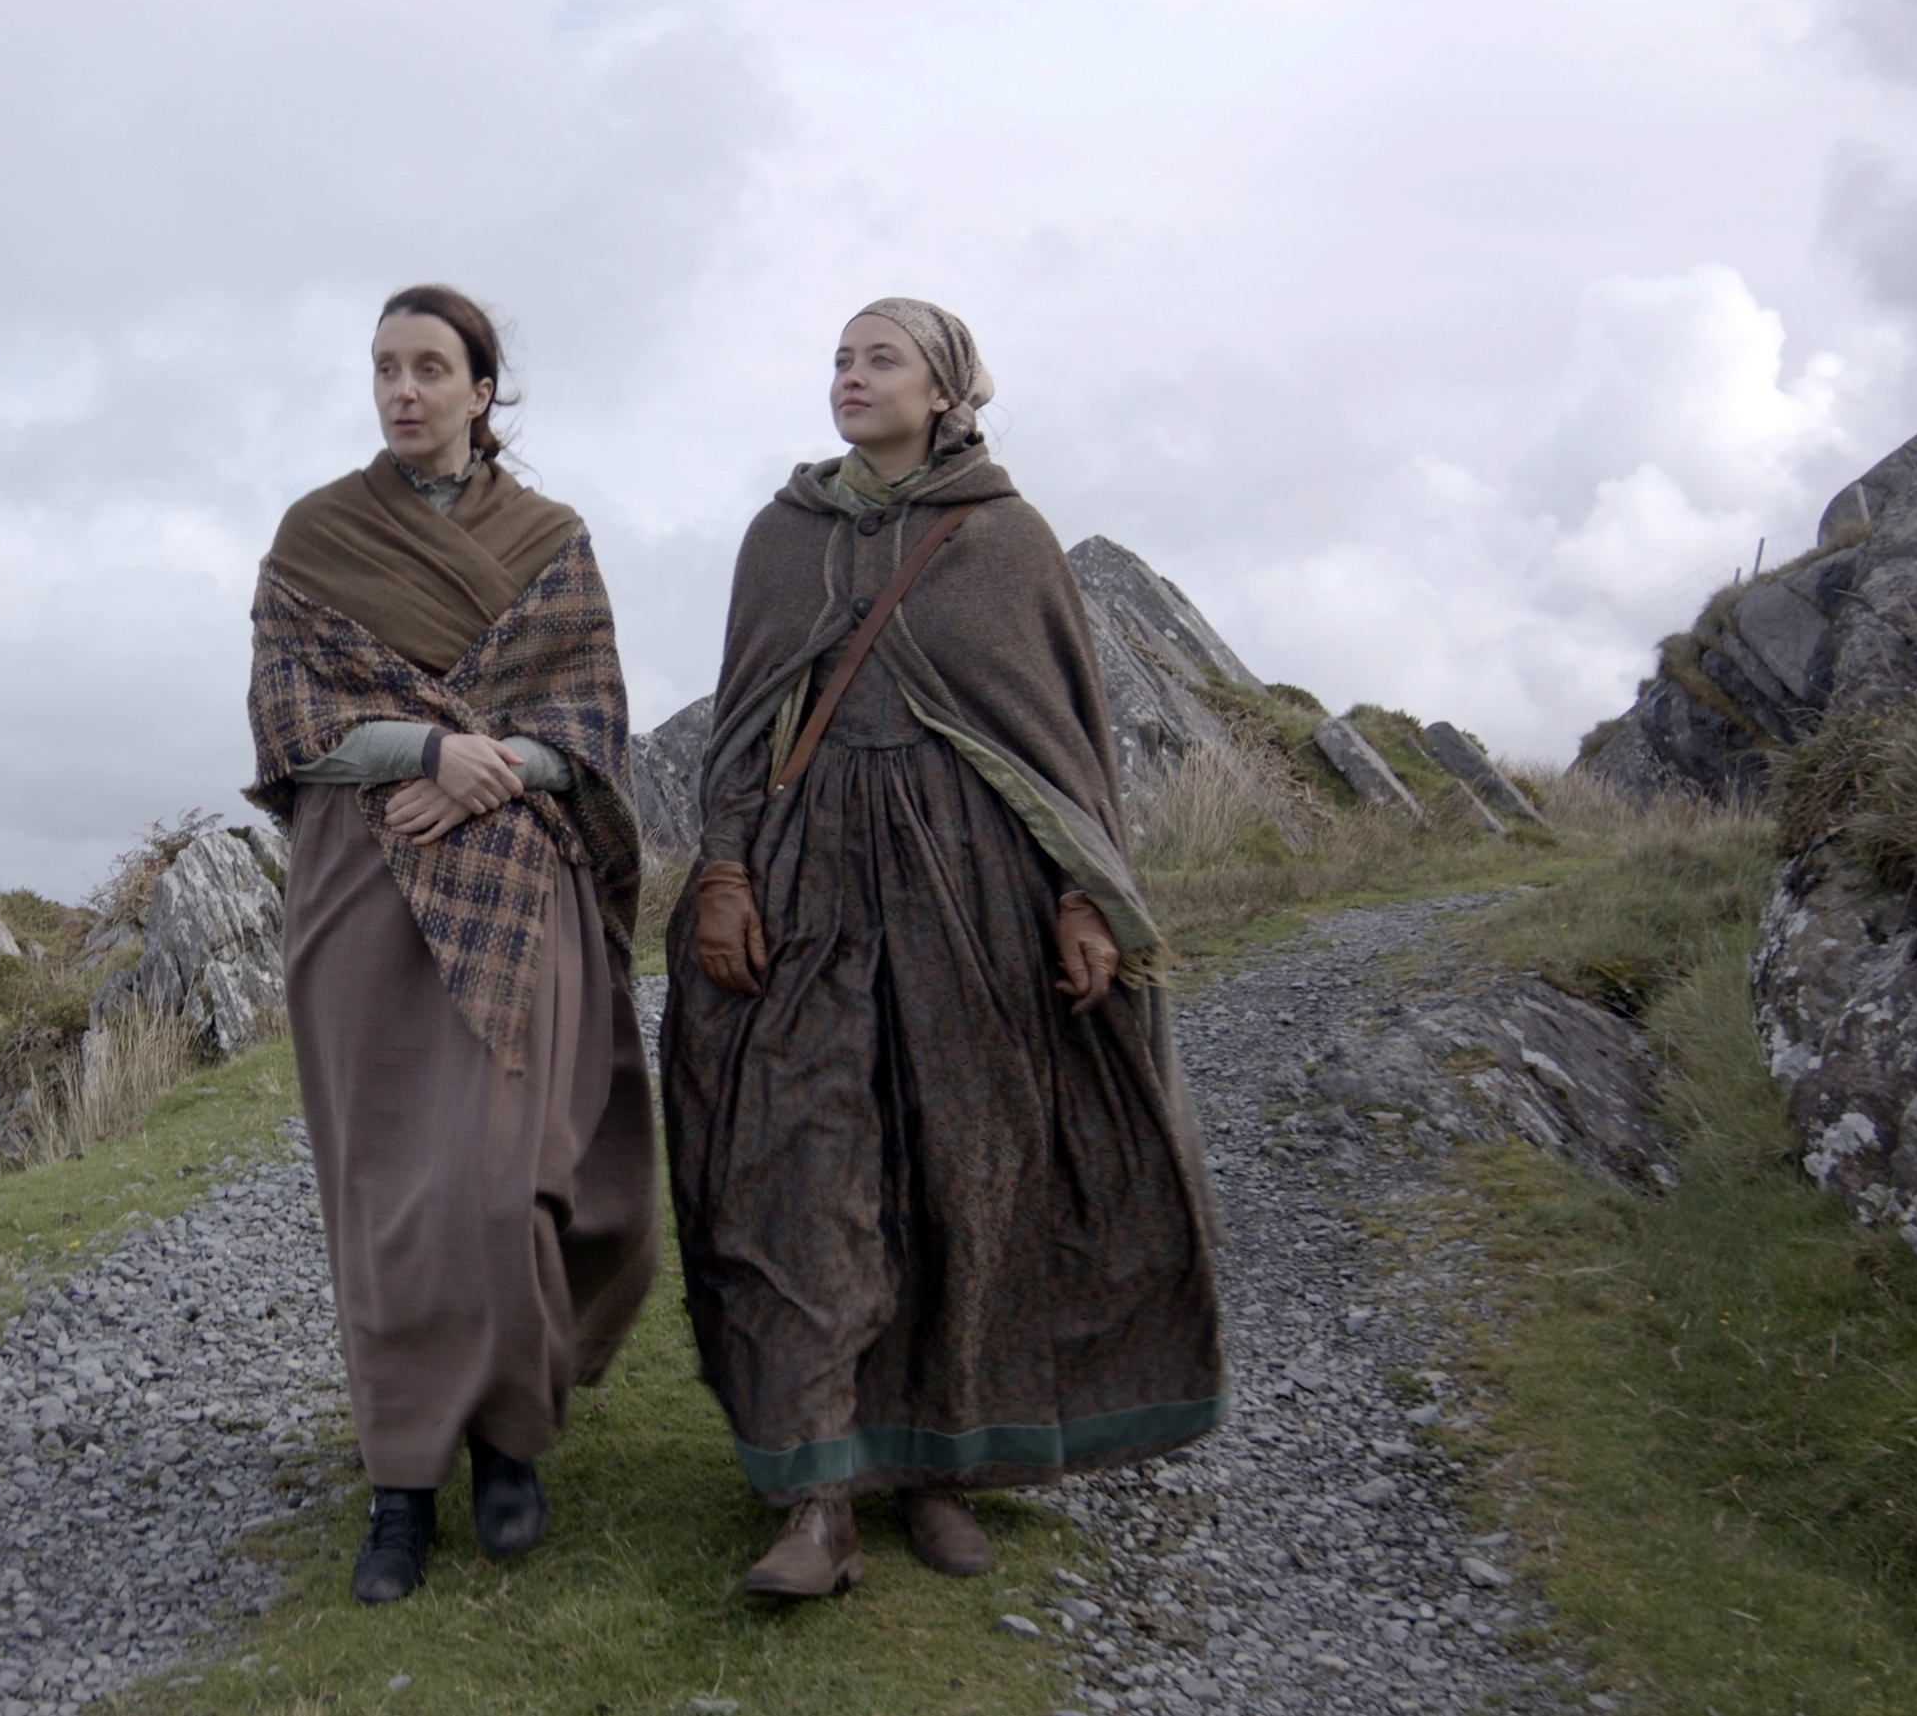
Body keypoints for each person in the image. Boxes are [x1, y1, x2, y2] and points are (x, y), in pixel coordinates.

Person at [659, 297, 1225, 1598]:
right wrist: (727, 870)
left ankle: (943, 1467)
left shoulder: (1008, 538)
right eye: (840, 359)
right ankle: (818, 1498)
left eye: (882, 358)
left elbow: (1059, 741)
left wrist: (1082, 896)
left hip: (972, 891)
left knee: (968, 1175)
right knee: (800, 1172)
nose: (851, 377)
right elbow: (742, 722)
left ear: (948, 388)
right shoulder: (783, 536)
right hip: (807, 889)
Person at [245, 284, 661, 1605]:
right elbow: (289, 717)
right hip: (361, 883)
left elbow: (590, 722)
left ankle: (509, 1435)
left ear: (484, 391)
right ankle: (402, 1483)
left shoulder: (552, 541)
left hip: (516, 879)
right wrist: (426, 748)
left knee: (499, 1181)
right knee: (387, 1196)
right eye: (385, 368)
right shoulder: (316, 536)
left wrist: (494, 768)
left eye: (431, 368)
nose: (403, 390)